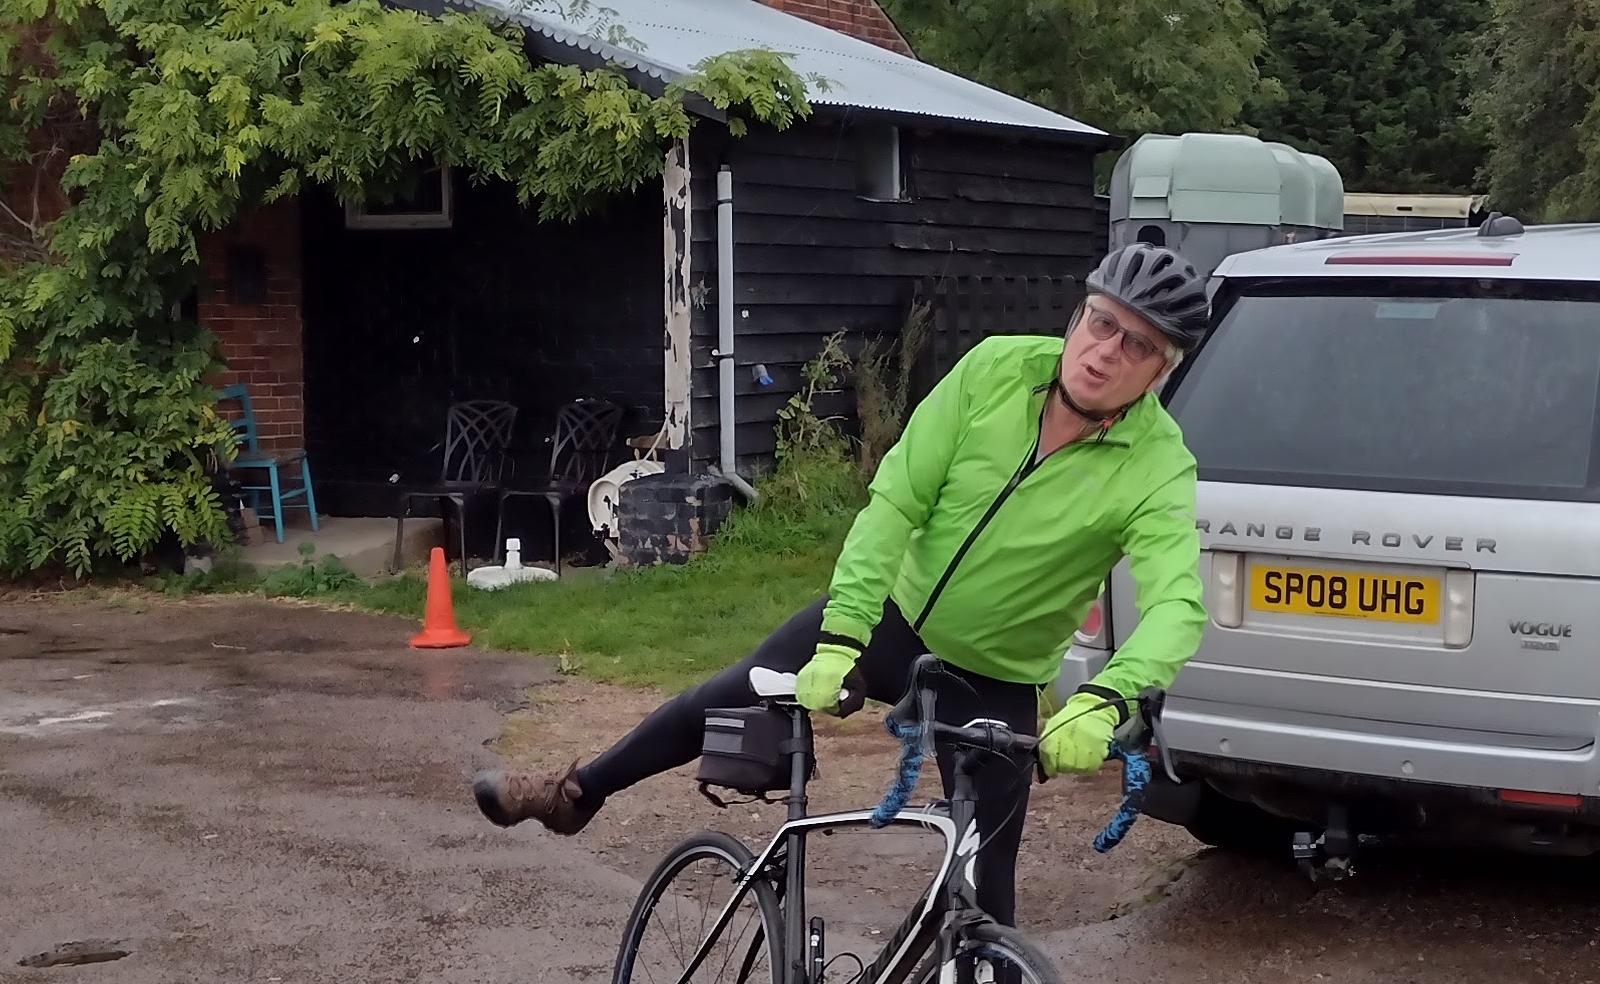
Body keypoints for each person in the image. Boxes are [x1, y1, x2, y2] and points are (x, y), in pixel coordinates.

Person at [475, 240, 1217, 934]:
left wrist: (1105, 698)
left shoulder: (1158, 465)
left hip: (994, 675)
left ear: (1161, 372)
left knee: (986, 899)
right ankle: (575, 794)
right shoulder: (997, 370)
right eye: (1102, 323)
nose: (1106, 350)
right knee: (726, 694)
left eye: (1138, 345)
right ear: (1078, 315)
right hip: (890, 619)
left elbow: (1176, 606)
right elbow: (896, 503)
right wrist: (842, 636)